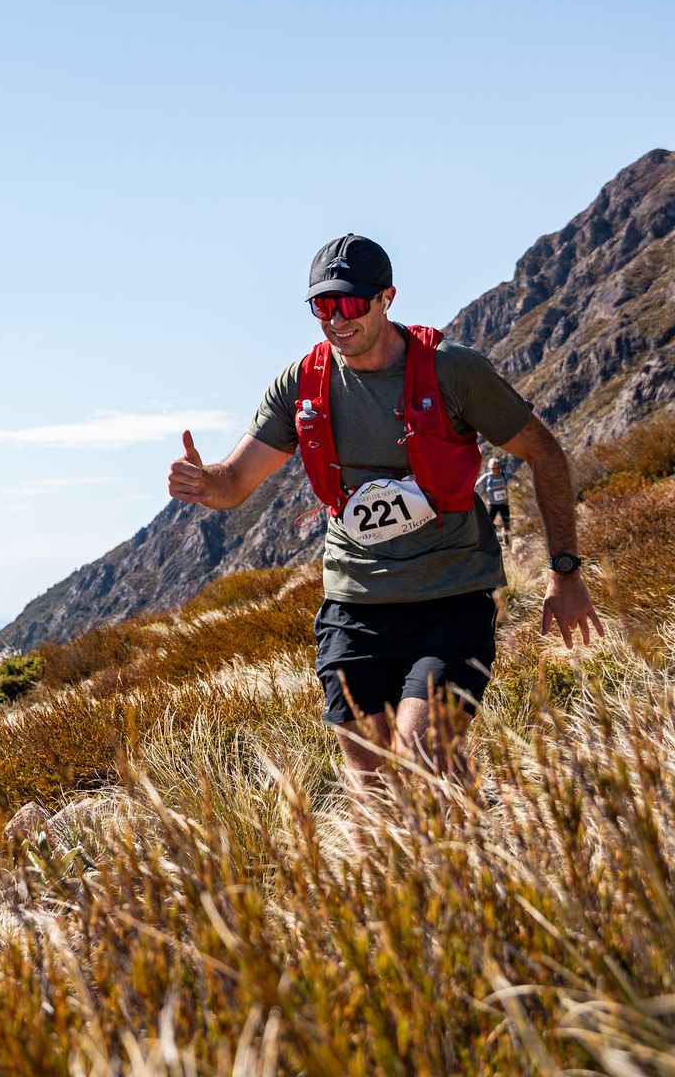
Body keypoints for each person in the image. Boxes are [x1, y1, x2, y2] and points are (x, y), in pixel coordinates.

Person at [166, 234, 602, 790]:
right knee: (371, 778)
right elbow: (235, 482)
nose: (335, 319)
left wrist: (564, 572)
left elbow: (545, 453)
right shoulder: (301, 384)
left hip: (451, 598)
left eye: (349, 304)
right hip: (355, 605)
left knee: (422, 754)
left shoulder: (453, 372)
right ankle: (453, 851)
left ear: (386, 298)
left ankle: (471, 851)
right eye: (322, 306)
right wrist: (205, 483)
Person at [476, 456, 513, 546]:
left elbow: (516, 477)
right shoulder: (487, 477)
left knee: (506, 523)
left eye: (497, 467)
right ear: (490, 468)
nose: (495, 470)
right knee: (489, 524)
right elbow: (476, 484)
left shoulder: (503, 474)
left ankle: (506, 541)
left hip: (504, 504)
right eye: (493, 468)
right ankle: (488, 541)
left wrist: (518, 485)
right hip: (492, 504)